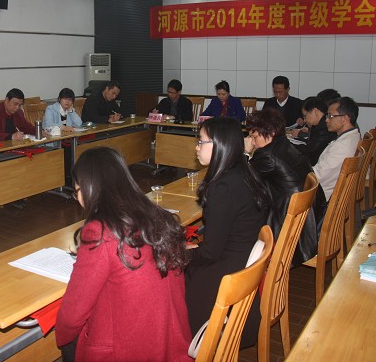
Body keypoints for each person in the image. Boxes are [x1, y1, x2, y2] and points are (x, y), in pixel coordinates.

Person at [55, 147, 191, 361]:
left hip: (129, 350)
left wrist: (61, 337)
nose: (78, 198)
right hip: (170, 342)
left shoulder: (100, 231)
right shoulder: (158, 216)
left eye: (77, 191)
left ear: (90, 188)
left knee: (70, 340)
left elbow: (73, 314)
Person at [186, 117, 270, 348]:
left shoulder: (223, 187)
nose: (197, 147)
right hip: (240, 261)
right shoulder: (243, 171)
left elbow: (210, 253)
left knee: (170, 268)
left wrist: (180, 254)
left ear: (220, 145)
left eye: (201, 141)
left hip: (225, 274)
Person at [244, 109, 323, 266]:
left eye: (254, 137)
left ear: (271, 133)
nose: (252, 142)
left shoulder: (267, 155)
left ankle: (250, 263)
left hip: (286, 223)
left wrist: (245, 152)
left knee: (242, 211)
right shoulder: (284, 144)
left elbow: (242, 179)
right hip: (307, 217)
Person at [313, 96, 361, 201]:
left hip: (321, 196)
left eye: (330, 116)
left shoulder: (342, 147)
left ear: (345, 119)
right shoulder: (354, 136)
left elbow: (317, 176)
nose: (326, 120)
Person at [291, 97, 337, 166]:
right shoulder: (319, 125)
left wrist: (288, 146)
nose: (305, 120)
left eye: (305, 116)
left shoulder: (324, 128)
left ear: (315, 111)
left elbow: (310, 150)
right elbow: (313, 143)